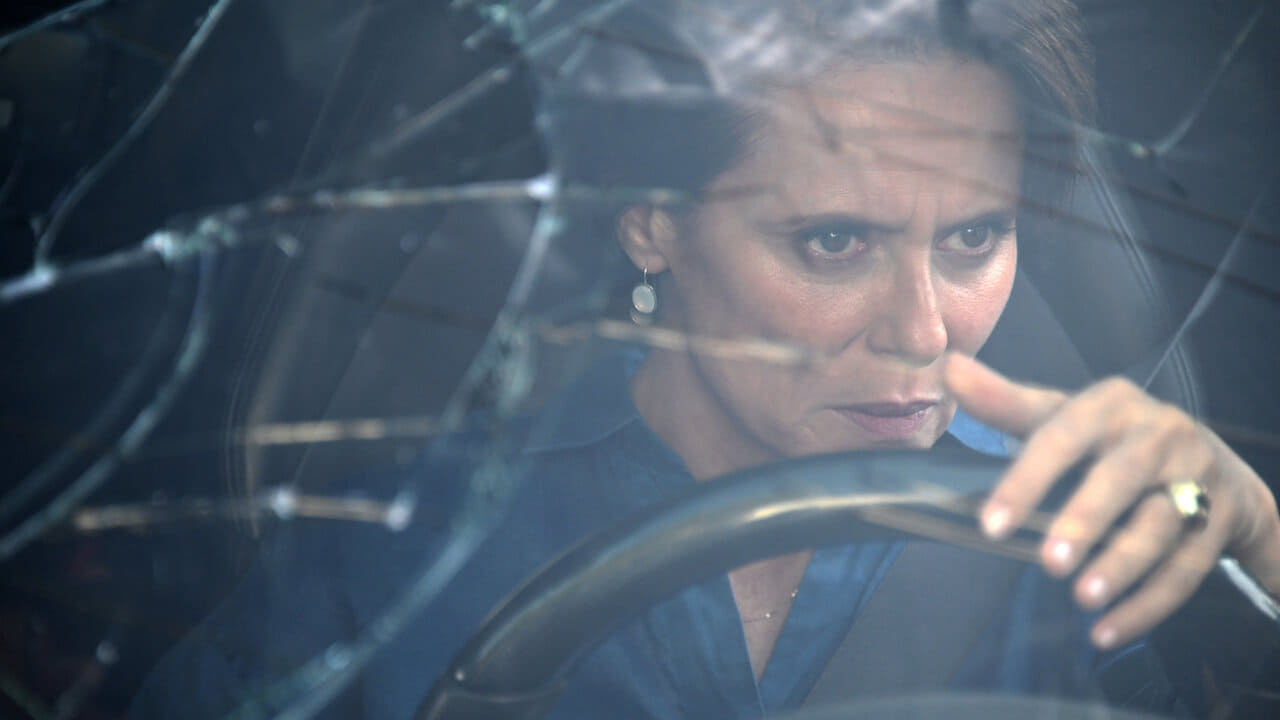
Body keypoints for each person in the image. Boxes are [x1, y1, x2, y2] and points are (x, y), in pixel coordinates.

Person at [131, 1, 1280, 718]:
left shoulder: (1073, 533)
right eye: (833, 242)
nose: (925, 332)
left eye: (974, 238)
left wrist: (1261, 552)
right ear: (651, 223)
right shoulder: (396, 550)